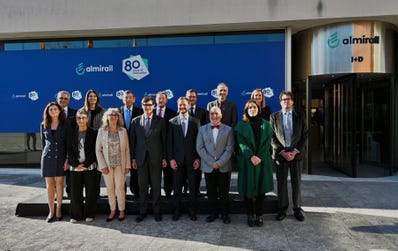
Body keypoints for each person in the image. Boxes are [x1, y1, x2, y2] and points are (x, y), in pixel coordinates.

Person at [269, 91, 308, 222]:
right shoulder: (274, 117)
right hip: (281, 155)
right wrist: (282, 151)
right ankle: (282, 209)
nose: (286, 101)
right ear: (280, 102)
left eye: (289, 99)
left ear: (292, 101)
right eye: (284, 99)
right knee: (281, 183)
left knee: (296, 182)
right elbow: (272, 136)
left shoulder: (300, 115)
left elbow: (305, 135)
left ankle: (297, 209)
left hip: (296, 154)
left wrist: (295, 151)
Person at [235, 99, 273, 227]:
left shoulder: (266, 124)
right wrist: (251, 156)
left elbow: (268, 143)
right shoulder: (241, 125)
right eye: (250, 107)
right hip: (247, 161)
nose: (252, 109)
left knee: (261, 189)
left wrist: (259, 157)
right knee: (248, 189)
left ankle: (259, 214)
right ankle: (250, 214)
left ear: (258, 109)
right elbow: (240, 143)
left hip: (262, 161)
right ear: (246, 110)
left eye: (254, 107)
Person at [130, 96, 167, 222]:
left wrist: (164, 157)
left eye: (150, 105)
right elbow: (132, 142)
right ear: (142, 106)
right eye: (145, 105)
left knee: (156, 186)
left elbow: (164, 142)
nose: (147, 107)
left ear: (154, 106)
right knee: (143, 186)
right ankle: (143, 211)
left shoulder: (160, 121)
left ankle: (157, 211)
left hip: (156, 158)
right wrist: (133, 158)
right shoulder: (135, 121)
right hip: (140, 159)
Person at [196, 106, 234, 224]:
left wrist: (219, 162)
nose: (214, 116)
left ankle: (225, 214)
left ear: (221, 115)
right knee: (211, 192)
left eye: (216, 113)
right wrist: (211, 162)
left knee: (224, 192)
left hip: (224, 166)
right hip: (209, 166)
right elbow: (199, 147)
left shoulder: (228, 130)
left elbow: (229, 148)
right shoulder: (202, 129)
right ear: (209, 115)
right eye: (212, 113)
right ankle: (213, 213)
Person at [167, 97, 201, 221]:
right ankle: (177, 210)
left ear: (189, 105)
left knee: (192, 188)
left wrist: (198, 158)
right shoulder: (172, 122)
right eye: (180, 105)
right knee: (177, 187)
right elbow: (169, 142)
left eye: (184, 105)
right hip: (177, 160)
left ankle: (192, 211)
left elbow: (199, 142)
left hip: (192, 161)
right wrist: (171, 159)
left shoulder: (195, 121)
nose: (182, 107)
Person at [96, 108, 131, 222]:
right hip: (107, 166)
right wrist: (102, 165)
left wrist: (127, 165)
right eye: (111, 115)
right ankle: (112, 210)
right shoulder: (101, 131)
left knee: (120, 188)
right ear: (107, 117)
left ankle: (121, 210)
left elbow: (127, 149)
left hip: (120, 165)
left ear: (118, 118)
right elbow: (98, 150)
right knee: (110, 188)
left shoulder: (123, 131)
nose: (113, 117)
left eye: (115, 115)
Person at [67, 109, 98, 223]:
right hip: (75, 168)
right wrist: (76, 164)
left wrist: (85, 164)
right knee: (75, 192)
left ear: (87, 119)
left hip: (89, 167)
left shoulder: (94, 133)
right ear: (76, 119)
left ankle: (90, 214)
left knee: (91, 191)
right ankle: (76, 215)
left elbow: (95, 151)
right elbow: (69, 150)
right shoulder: (71, 133)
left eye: (83, 118)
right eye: (79, 118)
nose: (81, 120)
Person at [40, 102, 69, 223]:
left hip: (62, 157)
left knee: (60, 184)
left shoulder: (65, 124)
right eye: (50, 109)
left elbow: (68, 143)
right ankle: (51, 211)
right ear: (48, 111)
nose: (53, 111)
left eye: (55, 109)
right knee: (50, 186)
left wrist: (67, 159)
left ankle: (58, 210)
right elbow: (43, 143)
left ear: (59, 111)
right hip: (48, 158)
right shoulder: (44, 124)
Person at [80, 89, 105, 198]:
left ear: (97, 98)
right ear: (87, 98)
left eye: (94, 96)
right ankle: (88, 194)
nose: (92, 98)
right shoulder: (81, 111)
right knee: (87, 171)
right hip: (85, 146)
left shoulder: (103, 111)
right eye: (90, 96)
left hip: (99, 145)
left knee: (97, 171)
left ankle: (96, 193)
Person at [118, 90, 143, 197]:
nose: (128, 99)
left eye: (130, 97)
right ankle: (121, 191)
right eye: (125, 97)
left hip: (136, 144)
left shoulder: (140, 111)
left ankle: (135, 190)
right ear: (122, 99)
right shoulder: (117, 112)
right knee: (121, 169)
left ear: (134, 99)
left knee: (135, 168)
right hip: (120, 145)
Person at [185, 89, 208, 196]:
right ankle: (185, 189)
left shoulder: (203, 112)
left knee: (197, 170)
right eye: (189, 97)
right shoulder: (180, 111)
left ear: (196, 98)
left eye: (193, 97)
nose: (191, 98)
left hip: (198, 146)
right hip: (185, 147)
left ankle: (196, 189)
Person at [154, 91, 176, 198]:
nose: (161, 100)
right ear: (156, 100)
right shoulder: (151, 112)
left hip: (167, 148)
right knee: (154, 174)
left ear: (166, 100)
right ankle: (154, 194)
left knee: (168, 174)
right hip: (154, 148)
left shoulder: (172, 113)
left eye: (163, 98)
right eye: (159, 98)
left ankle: (168, 193)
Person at [56, 90, 77, 198]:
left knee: (70, 173)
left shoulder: (75, 113)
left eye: (65, 98)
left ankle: (70, 194)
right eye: (61, 98)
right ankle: (58, 195)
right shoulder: (52, 111)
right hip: (57, 147)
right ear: (57, 99)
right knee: (57, 172)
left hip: (71, 147)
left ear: (69, 100)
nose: (63, 100)